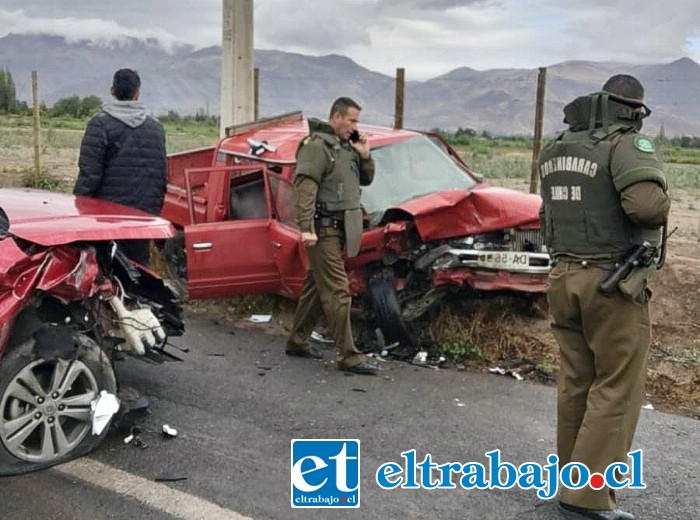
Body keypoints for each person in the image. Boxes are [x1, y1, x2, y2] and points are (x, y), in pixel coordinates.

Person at [538, 75, 670, 520]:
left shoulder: (557, 147)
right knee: (616, 386)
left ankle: (569, 487)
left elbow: (548, 214)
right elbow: (647, 208)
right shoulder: (626, 145)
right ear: (634, 107)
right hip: (612, 283)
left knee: (577, 382)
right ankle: (588, 497)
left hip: (563, 276)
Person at [285, 97, 378, 375]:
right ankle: (349, 356)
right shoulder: (316, 147)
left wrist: (365, 155)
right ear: (336, 117)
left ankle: (297, 341)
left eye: (357, 121)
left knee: (316, 286)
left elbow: (365, 179)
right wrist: (306, 228)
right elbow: (304, 188)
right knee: (338, 290)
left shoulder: (345, 148)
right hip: (322, 229)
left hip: (340, 229)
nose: (355, 126)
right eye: (352, 120)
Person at [74, 68, 167, 266]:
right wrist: (153, 211)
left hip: (106, 215)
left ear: (112, 91)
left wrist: (79, 209)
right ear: (137, 93)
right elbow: (160, 176)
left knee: (107, 269)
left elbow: (89, 174)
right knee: (139, 270)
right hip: (141, 215)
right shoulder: (155, 128)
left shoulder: (99, 124)